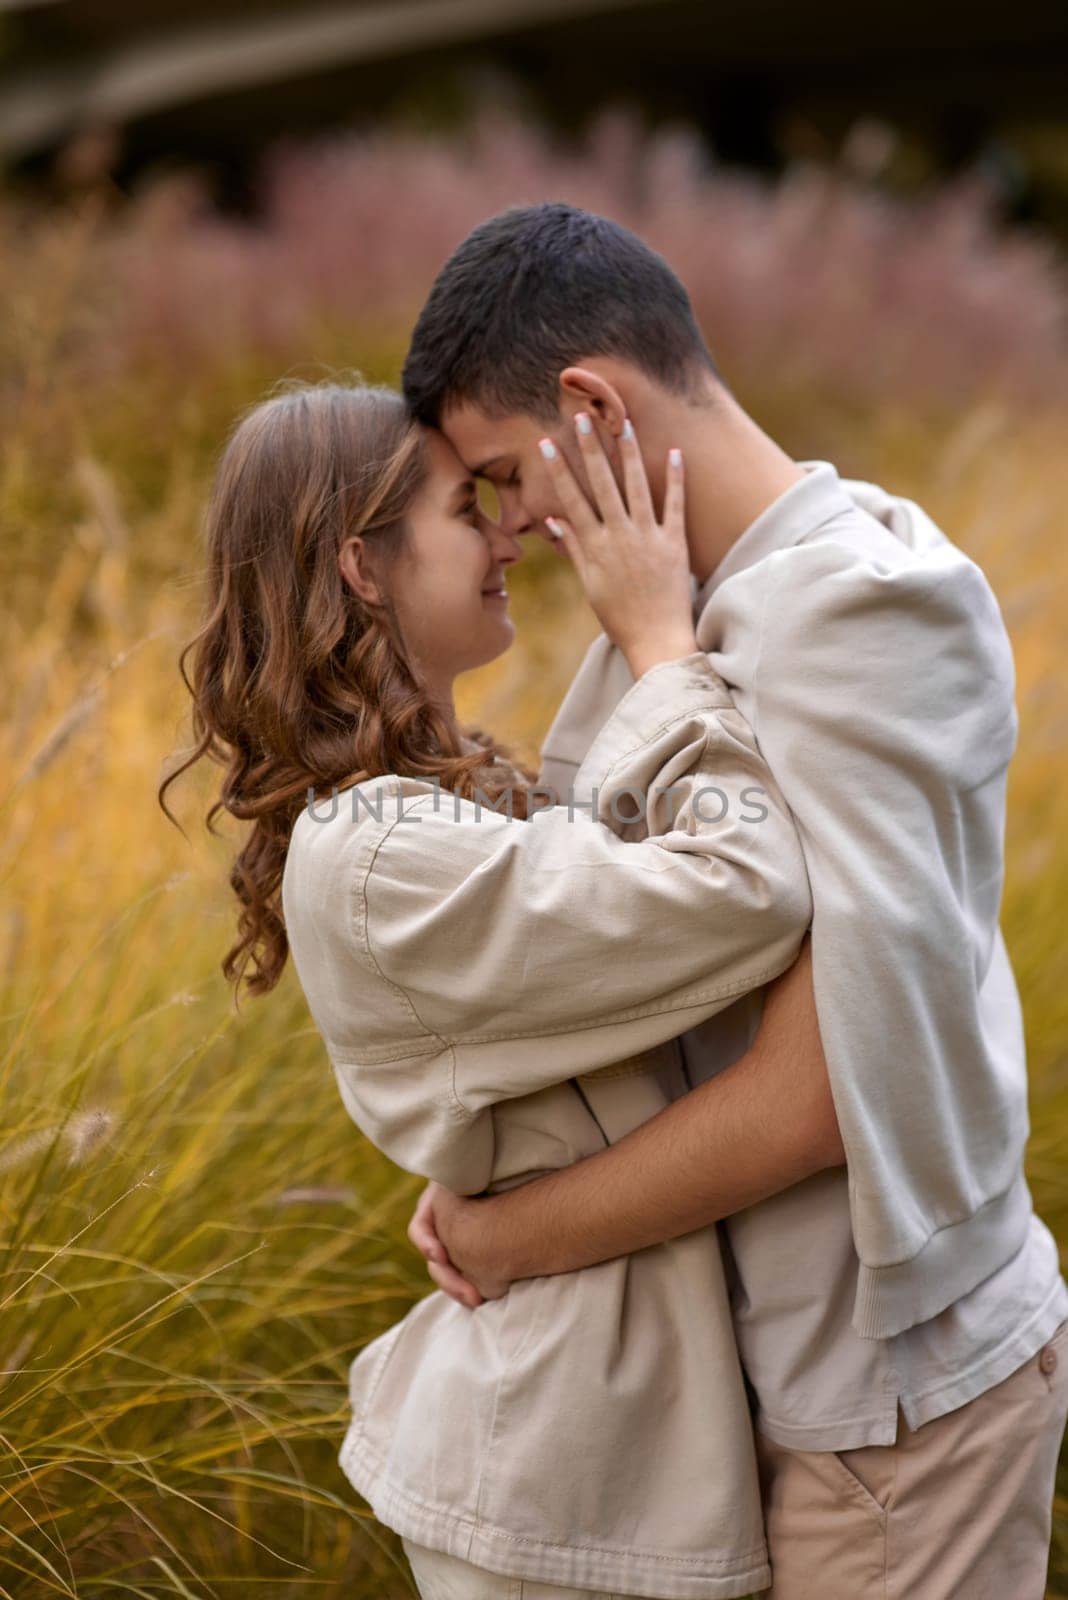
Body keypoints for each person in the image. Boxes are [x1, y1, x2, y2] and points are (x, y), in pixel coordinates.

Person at [399, 202, 1068, 1599]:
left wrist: (507, 1236)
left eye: (505, 475)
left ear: (591, 402)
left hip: (894, 1419)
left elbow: (816, 1094)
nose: (509, 528)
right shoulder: (678, 604)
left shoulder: (859, 608)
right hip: (766, 1386)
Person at [161, 376, 844, 1599]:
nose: (505, 535)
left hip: (603, 1455)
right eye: (463, 508)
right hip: (553, 1477)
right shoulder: (379, 855)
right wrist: (659, 642)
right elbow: (745, 887)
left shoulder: (448, 806)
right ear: (362, 569)